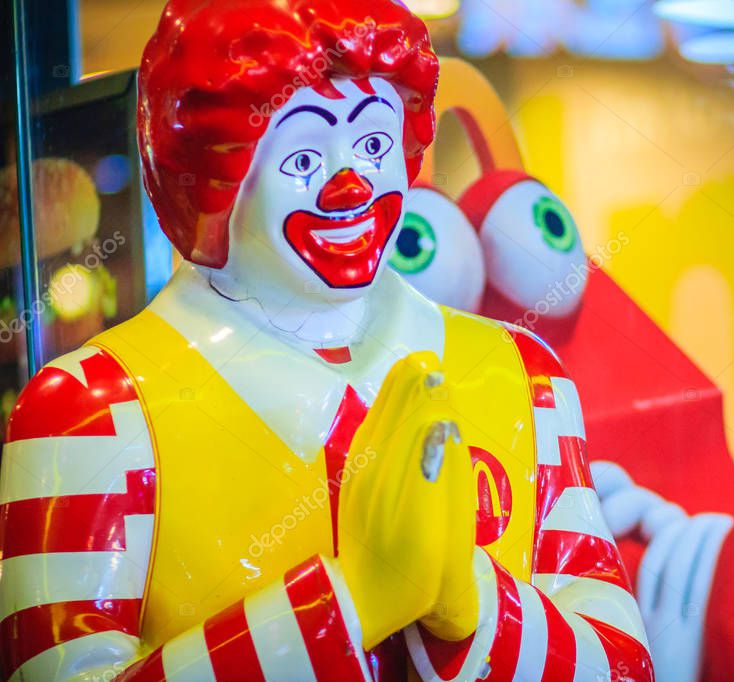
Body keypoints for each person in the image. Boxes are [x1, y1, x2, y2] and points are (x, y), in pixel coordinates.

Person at [0, 1, 652, 680]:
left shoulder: (523, 376)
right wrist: (346, 605)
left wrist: (473, 609)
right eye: (303, 156)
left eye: (374, 144)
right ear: (207, 181)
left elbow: (624, 663)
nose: (351, 188)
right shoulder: (87, 413)